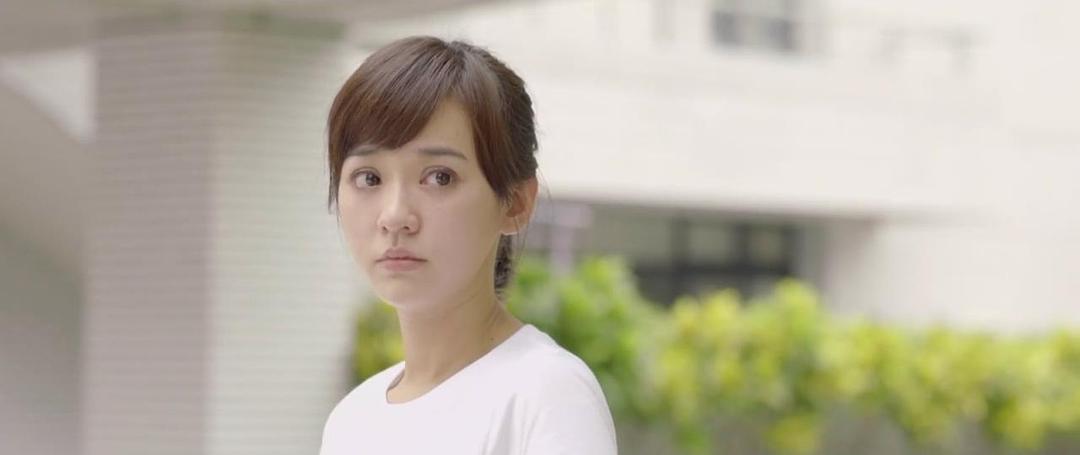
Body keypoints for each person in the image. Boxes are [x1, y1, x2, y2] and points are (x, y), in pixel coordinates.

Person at [318, 36, 619, 455]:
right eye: (369, 178)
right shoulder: (351, 421)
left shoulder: (546, 395)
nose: (395, 215)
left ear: (515, 202)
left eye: (439, 177)